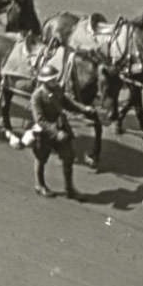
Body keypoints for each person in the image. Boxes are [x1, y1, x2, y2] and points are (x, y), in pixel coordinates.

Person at [27, 64, 93, 199]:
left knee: (68, 157)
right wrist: (56, 133)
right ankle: (40, 185)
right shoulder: (37, 96)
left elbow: (68, 103)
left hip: (61, 128)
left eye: (55, 79)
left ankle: (70, 189)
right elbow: (40, 120)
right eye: (52, 79)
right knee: (41, 158)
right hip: (45, 133)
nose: (55, 81)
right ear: (45, 81)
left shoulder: (57, 89)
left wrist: (84, 109)